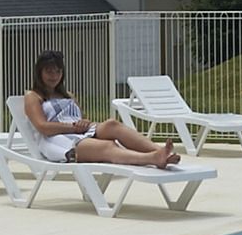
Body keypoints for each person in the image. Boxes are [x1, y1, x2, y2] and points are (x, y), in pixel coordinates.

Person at [20, 49, 185, 170]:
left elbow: (78, 119)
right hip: (58, 141)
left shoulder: (67, 94)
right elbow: (42, 127)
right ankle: (153, 158)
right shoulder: (33, 96)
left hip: (78, 132)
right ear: (39, 73)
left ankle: (161, 151)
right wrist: (73, 127)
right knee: (107, 146)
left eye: (58, 71)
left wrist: (82, 124)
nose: (54, 76)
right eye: (49, 71)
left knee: (112, 124)